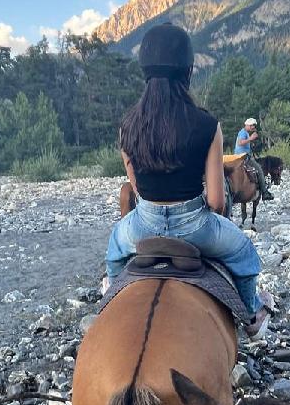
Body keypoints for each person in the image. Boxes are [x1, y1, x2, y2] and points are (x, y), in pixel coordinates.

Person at [105, 23, 269, 335]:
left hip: (142, 225)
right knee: (245, 254)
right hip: (195, 226)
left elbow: (137, 189)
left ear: (145, 70)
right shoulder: (208, 124)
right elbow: (218, 201)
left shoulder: (128, 126)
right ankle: (250, 315)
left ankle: (110, 302)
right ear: (188, 70)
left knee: (114, 251)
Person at [233, 117, 274, 200]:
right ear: (248, 125)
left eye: (254, 126)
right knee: (259, 170)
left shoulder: (245, 133)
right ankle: (264, 192)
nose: (253, 128)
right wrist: (251, 138)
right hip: (243, 157)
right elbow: (240, 143)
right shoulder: (243, 133)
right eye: (252, 126)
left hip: (238, 156)